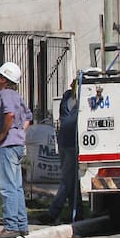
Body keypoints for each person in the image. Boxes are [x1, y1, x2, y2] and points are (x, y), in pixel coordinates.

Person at [0, 61, 32, 238]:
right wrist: (20, 132)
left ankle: (11, 225)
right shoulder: (16, 95)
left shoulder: (5, 95)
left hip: (7, 145)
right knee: (17, 187)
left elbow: (10, 115)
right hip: (18, 144)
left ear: (4, 79)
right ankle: (22, 224)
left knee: (7, 187)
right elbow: (28, 117)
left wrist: (2, 135)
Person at [43, 80, 80, 224]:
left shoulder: (85, 100)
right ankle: (76, 212)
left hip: (74, 144)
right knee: (71, 180)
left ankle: (53, 212)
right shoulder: (66, 97)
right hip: (63, 141)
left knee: (66, 179)